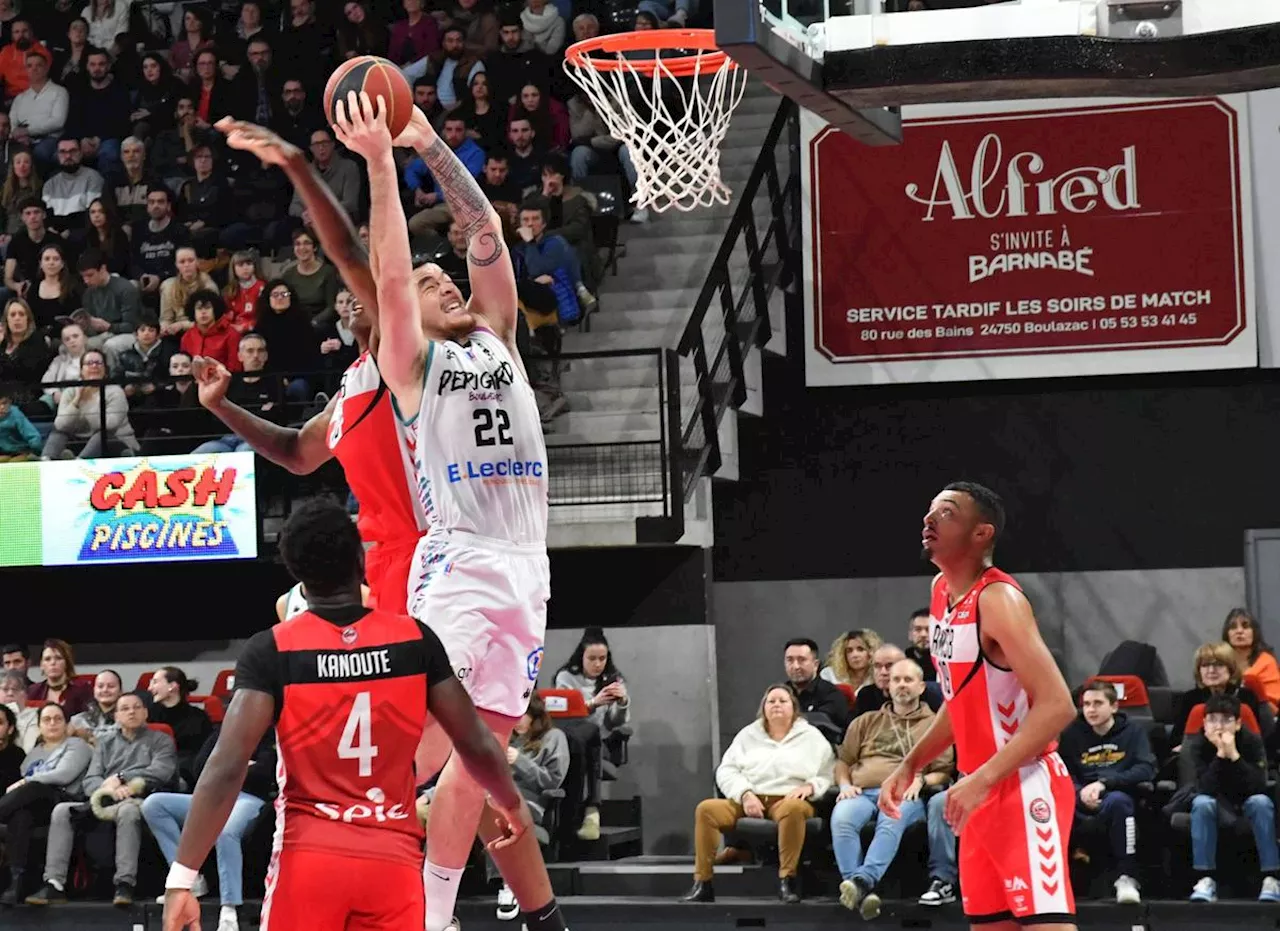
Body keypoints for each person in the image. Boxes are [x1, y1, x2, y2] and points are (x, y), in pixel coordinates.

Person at [334, 95, 559, 931]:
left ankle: (430, 912)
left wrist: (426, 137)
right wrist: (381, 165)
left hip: (526, 566)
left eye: (447, 276)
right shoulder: (412, 364)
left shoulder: (497, 335)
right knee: (413, 743)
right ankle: (334, 860)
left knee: (479, 757)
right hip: (459, 563)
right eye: (430, 285)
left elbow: (484, 227)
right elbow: (391, 273)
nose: (443, 282)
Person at [160, 498, 531, 931]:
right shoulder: (415, 641)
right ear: (361, 561)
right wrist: (510, 801)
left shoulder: (273, 649)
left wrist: (182, 878)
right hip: (392, 862)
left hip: (310, 859)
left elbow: (225, 768)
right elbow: (474, 741)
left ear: (296, 575)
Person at [191, 116, 425, 616]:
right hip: (381, 558)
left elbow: (349, 255)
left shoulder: (404, 361)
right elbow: (296, 452)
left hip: (426, 548)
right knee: (291, 611)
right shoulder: (355, 386)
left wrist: (297, 166)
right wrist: (222, 405)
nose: (360, 298)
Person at [879, 482, 1078, 931]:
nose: (929, 521)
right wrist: (912, 763)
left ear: (981, 533)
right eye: (929, 511)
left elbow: (1058, 707)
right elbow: (962, 697)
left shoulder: (999, 600)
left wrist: (984, 779)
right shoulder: (939, 592)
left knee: (1047, 925)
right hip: (976, 789)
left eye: (946, 513)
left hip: (1023, 784)